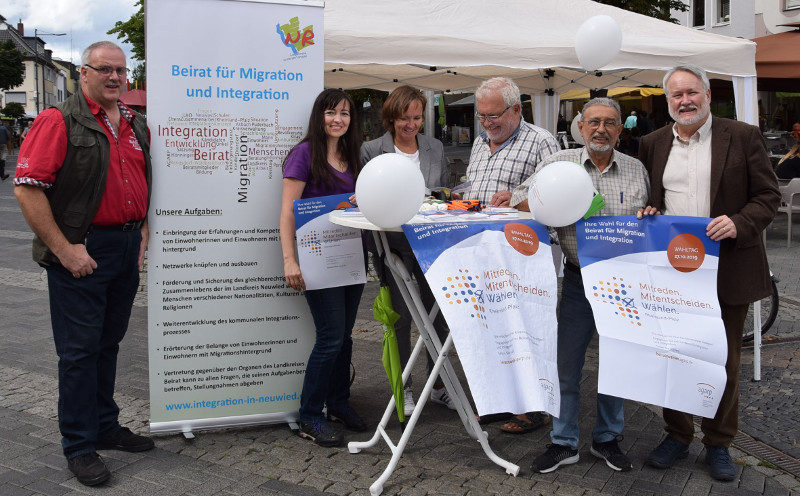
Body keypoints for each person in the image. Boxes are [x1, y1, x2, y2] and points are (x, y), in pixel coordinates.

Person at [13, 41, 154, 487]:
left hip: (124, 248)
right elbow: (27, 187)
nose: (115, 77)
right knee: (78, 353)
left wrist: (142, 228)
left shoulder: (135, 123)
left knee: (108, 344)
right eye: (105, 69)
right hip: (82, 250)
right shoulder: (59, 119)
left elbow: (140, 179)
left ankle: (104, 425)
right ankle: (78, 444)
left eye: (121, 71)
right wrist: (64, 248)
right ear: (84, 73)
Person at [638, 64, 780, 481]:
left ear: (707, 93)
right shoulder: (651, 143)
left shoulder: (743, 136)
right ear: (668, 102)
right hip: (672, 270)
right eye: (676, 95)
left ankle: (718, 442)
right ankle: (677, 434)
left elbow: (768, 196)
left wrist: (740, 221)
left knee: (725, 362)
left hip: (728, 266)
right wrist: (649, 210)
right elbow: (649, 198)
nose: (685, 101)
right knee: (673, 356)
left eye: (691, 92)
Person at [510, 97, 650, 473]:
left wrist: (652, 214)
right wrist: (550, 204)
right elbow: (519, 200)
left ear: (620, 130)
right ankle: (563, 442)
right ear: (580, 127)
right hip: (577, 282)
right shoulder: (558, 165)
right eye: (593, 122)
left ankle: (607, 439)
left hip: (624, 286)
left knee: (618, 365)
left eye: (609, 123)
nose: (600, 129)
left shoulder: (637, 169)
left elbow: (650, 218)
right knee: (565, 365)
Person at [280, 88, 367, 448]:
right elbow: (287, 211)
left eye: (345, 114)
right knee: (330, 338)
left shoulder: (352, 155)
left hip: (351, 257)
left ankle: (339, 403)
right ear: (319, 116)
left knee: (344, 338)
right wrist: (289, 259)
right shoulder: (303, 154)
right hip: (318, 259)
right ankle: (310, 417)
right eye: (331, 112)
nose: (338, 120)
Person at [361, 85, 454, 415]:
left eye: (416, 118)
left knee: (438, 316)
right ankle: (404, 387)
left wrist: (441, 194)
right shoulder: (372, 150)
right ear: (391, 118)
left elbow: (444, 188)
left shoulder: (434, 147)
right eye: (404, 118)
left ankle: (439, 385)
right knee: (399, 319)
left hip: (431, 242)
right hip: (393, 245)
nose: (411, 125)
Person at [465, 77, 559, 207]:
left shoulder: (541, 141)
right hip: (475, 225)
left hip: (516, 227)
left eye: (493, 116)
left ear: (516, 109)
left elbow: (556, 199)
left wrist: (517, 202)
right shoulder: (479, 141)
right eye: (481, 116)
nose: (487, 123)